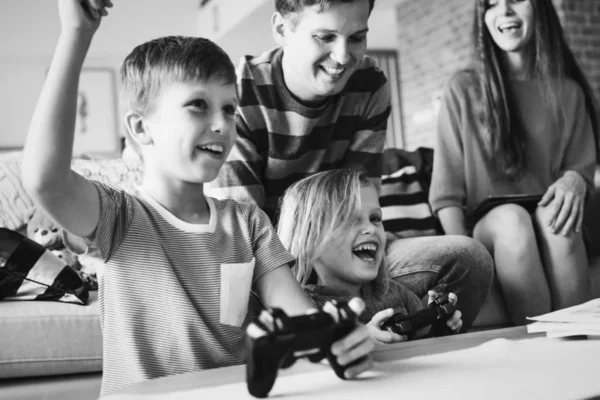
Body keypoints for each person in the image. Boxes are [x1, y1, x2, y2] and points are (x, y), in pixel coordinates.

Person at [21, 0, 374, 396]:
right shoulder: (118, 217)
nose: (221, 124)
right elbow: (44, 179)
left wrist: (338, 341)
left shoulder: (248, 223)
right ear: (141, 128)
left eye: (229, 109)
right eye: (198, 107)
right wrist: (76, 33)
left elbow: (299, 316)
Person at [205, 0, 495, 331]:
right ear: (282, 30)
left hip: (346, 246)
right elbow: (247, 234)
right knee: (240, 302)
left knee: (469, 259)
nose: (343, 57)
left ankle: (403, 334)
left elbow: (363, 197)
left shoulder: (369, 83)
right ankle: (352, 328)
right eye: (324, 37)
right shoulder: (237, 94)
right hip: (274, 262)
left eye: (356, 38)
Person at [429, 0, 599, 326]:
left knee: (557, 222)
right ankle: (535, 348)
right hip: (489, 227)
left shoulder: (569, 92)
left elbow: (581, 168)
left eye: (515, 0)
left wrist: (575, 178)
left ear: (539, 9)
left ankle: (575, 344)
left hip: (547, 215)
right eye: (492, 4)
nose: (504, 11)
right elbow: (446, 196)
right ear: (484, 18)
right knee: (512, 222)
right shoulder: (462, 89)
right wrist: (467, 263)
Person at [277, 167, 465, 344]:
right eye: (350, 219)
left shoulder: (395, 292)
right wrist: (364, 343)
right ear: (310, 241)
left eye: (375, 219)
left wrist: (437, 326)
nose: (370, 228)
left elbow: (425, 348)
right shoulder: (305, 307)